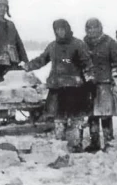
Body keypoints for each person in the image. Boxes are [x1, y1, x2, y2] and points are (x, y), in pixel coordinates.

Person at [20, 19, 95, 153]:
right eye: (57, 29)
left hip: (75, 89)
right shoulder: (52, 46)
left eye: (62, 29)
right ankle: (60, 144)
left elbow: (87, 64)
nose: (60, 32)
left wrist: (90, 81)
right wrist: (27, 66)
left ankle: (75, 144)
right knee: (58, 118)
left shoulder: (78, 45)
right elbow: (42, 59)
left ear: (67, 29)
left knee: (76, 118)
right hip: (56, 88)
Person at [83, 18, 117, 152]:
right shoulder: (83, 44)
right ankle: (94, 142)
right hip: (89, 85)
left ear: (100, 28)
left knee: (106, 114)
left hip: (105, 85)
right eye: (89, 28)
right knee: (92, 115)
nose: (92, 31)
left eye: (95, 28)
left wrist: (116, 75)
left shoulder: (110, 43)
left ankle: (108, 141)